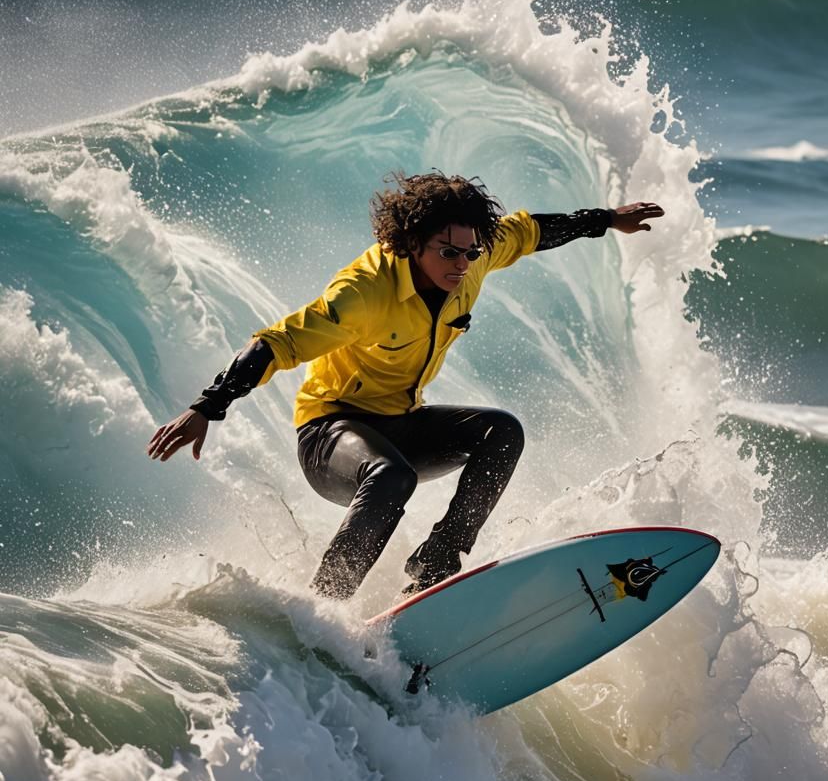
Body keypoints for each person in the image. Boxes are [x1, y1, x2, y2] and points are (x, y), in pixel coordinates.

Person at [147, 172, 663, 599]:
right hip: (330, 433)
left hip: (401, 422)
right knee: (392, 478)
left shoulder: (472, 258)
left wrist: (608, 219)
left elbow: (531, 232)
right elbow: (277, 343)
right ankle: (324, 605)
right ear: (413, 243)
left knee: (502, 432)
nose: (462, 265)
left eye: (470, 252)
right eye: (448, 253)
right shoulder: (363, 292)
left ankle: (434, 567)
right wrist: (206, 408)